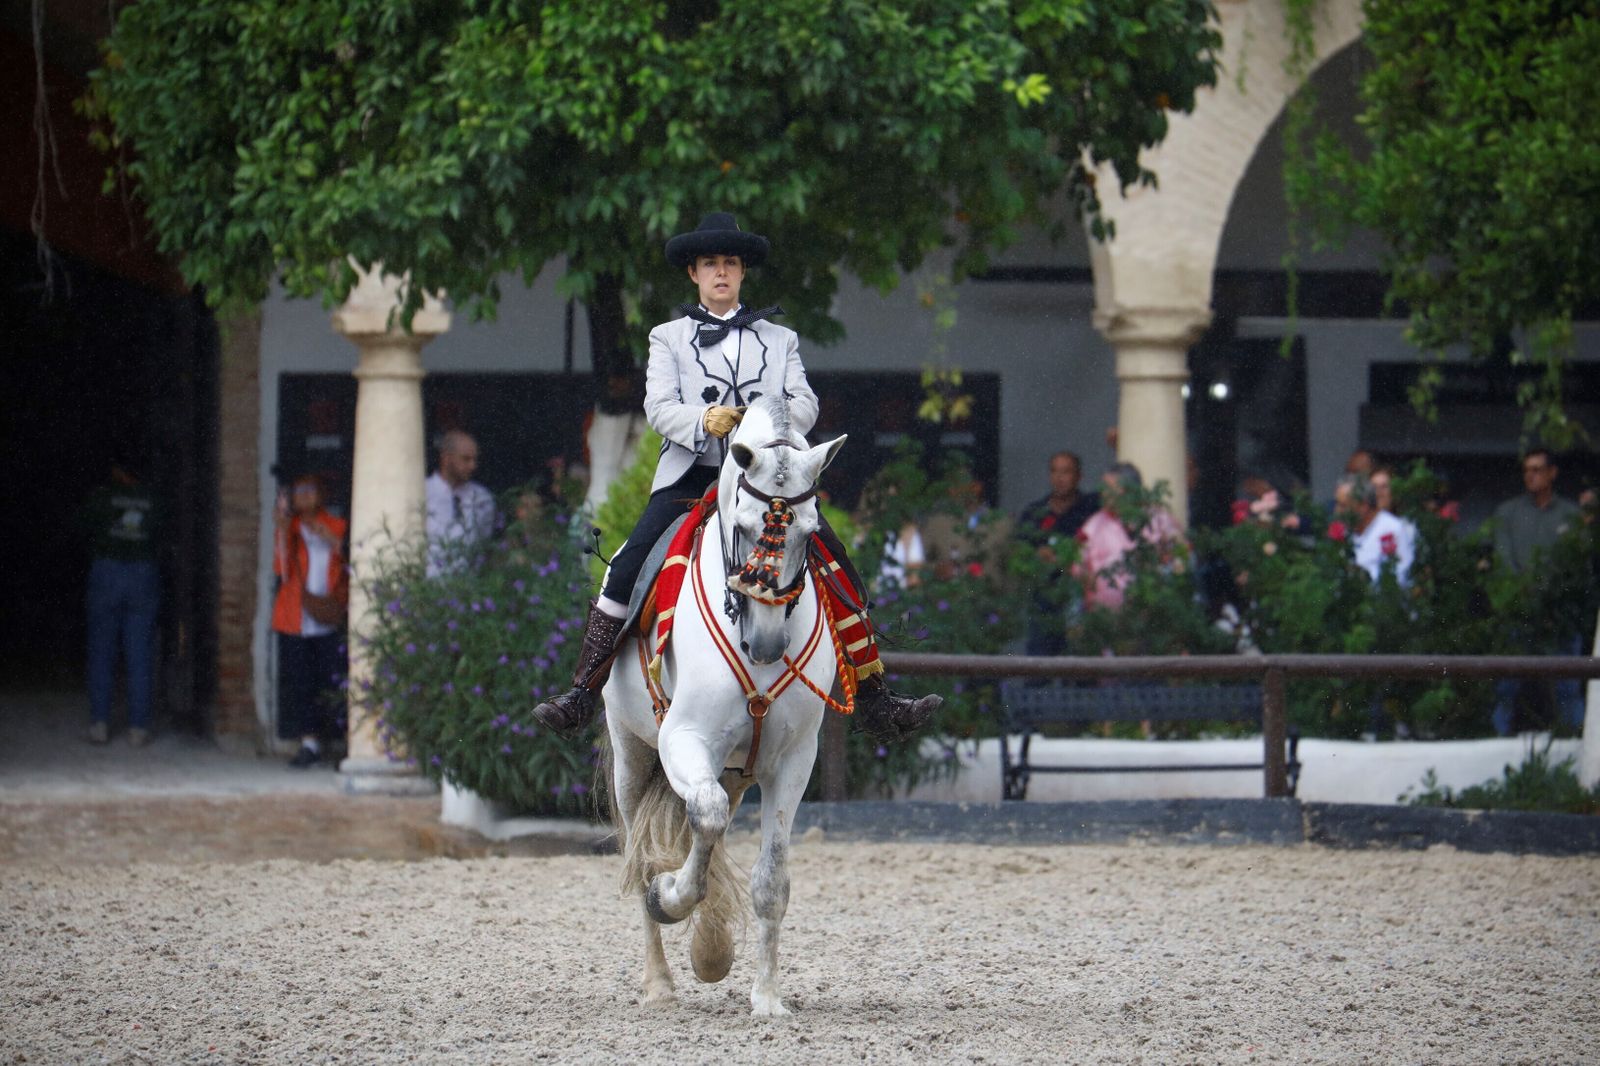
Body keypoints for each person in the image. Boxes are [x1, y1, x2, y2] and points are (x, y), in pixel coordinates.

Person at [530, 212, 941, 743]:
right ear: (694, 275)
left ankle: (875, 694)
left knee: (836, 561)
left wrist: (765, 421)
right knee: (627, 564)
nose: (720, 273)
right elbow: (658, 408)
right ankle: (585, 689)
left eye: (729, 264)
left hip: (766, 478)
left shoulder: (781, 338)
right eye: (710, 265)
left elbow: (806, 403)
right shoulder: (667, 337)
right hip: (691, 476)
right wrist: (703, 420)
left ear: (742, 272)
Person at [1491, 449, 1584, 735]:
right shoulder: (1508, 513)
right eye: (1526, 470)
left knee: (1567, 682)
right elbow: (1505, 560)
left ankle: (1574, 740)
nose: (1530, 475)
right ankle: (1498, 738)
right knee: (1507, 683)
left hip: (1558, 613)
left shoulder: (1570, 514)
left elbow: (1573, 564)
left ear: (1552, 473)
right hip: (1519, 611)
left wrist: (1549, 596)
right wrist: (1527, 595)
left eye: (1537, 469)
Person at [81, 455, 163, 746]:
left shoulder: (103, 497)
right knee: (139, 653)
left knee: (102, 651)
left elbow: (83, 528)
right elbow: (162, 536)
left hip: (107, 571)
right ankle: (138, 728)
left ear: (117, 469)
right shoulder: (153, 499)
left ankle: (100, 724)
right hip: (143, 573)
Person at [271, 474, 349, 768]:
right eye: (298, 491)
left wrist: (328, 537)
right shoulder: (290, 528)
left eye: (309, 490)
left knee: (331, 679)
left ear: (321, 493)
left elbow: (348, 558)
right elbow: (282, 568)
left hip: (328, 612)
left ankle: (341, 740)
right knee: (301, 682)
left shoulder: (336, 525)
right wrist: (281, 528)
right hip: (296, 616)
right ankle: (309, 742)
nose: (302, 496)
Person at [1014, 451, 1099, 654]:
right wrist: (1037, 556)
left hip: (1080, 598)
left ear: (1079, 476)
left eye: (1066, 472)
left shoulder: (1091, 509)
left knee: (1081, 668)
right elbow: (1019, 552)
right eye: (1054, 471)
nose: (1059, 478)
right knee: (1039, 668)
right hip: (1044, 600)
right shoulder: (1035, 513)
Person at [1074, 462, 1184, 612]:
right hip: (1104, 622)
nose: (1103, 493)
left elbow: (1182, 559)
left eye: (1110, 488)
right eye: (1103, 488)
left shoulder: (1160, 520)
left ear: (1130, 490)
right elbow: (1076, 567)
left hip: (1155, 618)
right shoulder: (1093, 526)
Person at [425, 430, 496, 576]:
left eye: (475, 460)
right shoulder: (423, 492)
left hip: (467, 588)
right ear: (446, 458)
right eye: (466, 459)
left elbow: (484, 544)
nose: (472, 466)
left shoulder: (483, 497)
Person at [1333, 473, 1414, 586]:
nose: (1337, 511)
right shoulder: (1347, 531)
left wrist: (1362, 576)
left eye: (1343, 506)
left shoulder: (1392, 529)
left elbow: (1400, 576)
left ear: (1363, 506)